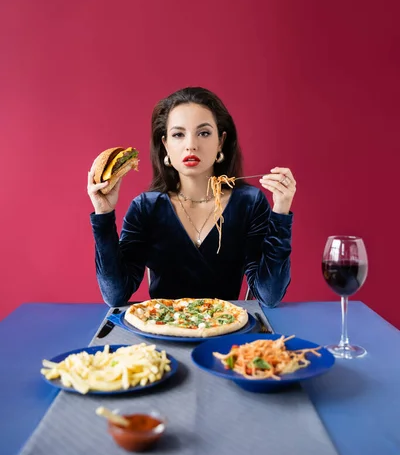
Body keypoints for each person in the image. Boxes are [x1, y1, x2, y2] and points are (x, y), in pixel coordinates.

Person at [87, 87, 296, 307]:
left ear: (221, 142)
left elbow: (269, 296)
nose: (191, 145)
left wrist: (281, 212)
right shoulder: (145, 208)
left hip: (228, 334)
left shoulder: (249, 202)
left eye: (204, 133)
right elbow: (115, 295)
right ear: (165, 145)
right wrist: (104, 214)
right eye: (178, 134)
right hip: (162, 331)